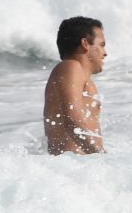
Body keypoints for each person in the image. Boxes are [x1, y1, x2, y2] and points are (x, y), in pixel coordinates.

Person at [44, 16, 107, 155]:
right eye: (102, 45)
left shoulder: (83, 78)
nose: (105, 53)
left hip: (79, 166)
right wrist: (102, 159)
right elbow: (72, 120)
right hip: (71, 168)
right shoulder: (70, 66)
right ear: (85, 43)